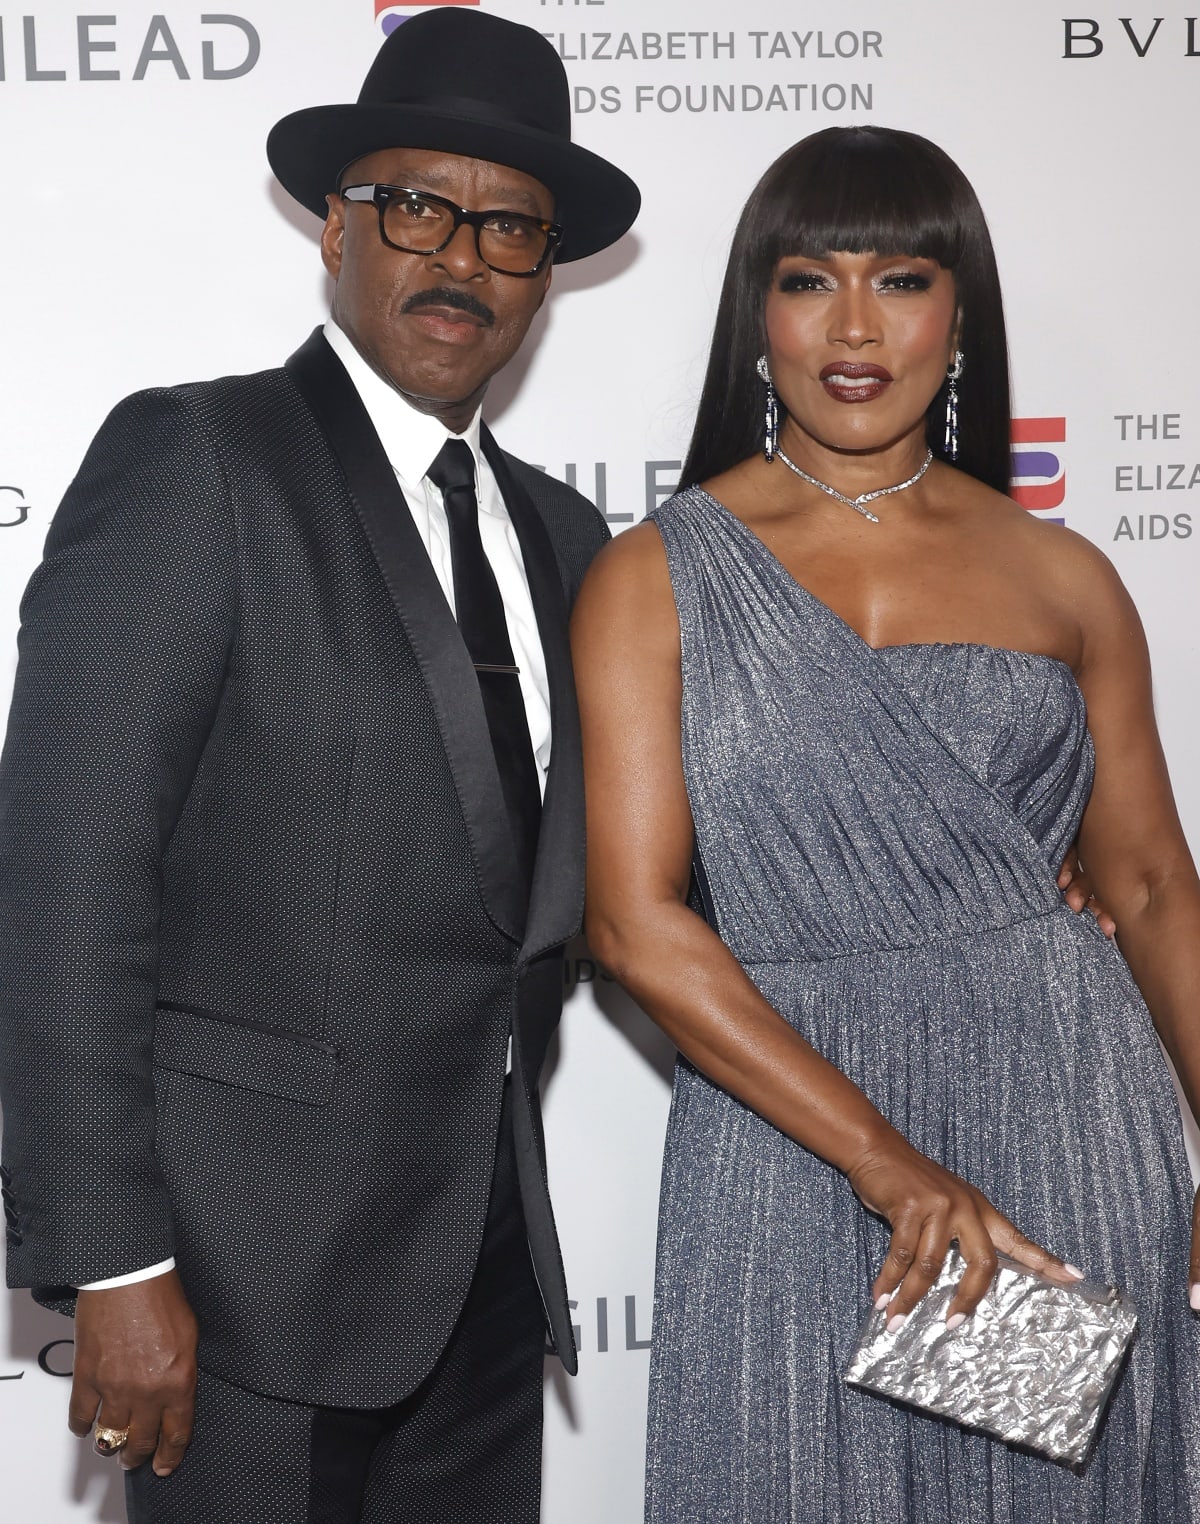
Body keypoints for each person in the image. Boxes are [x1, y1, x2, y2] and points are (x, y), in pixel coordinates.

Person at [0, 11, 638, 1522]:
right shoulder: (199, 463)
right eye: (416, 205)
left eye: (509, 229)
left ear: (545, 278)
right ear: (336, 229)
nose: (461, 257)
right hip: (234, 1286)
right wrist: (114, 1261)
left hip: (483, 1272)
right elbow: (69, 881)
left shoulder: (568, 539)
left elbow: (615, 875)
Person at [571, 126, 1200, 1521]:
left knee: (1042, 1501)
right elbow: (635, 924)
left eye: (902, 280)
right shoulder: (654, 577)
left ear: (958, 314)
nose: (855, 328)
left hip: (1061, 1122)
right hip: (790, 1131)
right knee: (795, 1481)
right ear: (761, 316)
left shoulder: (1064, 578)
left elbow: (1151, 885)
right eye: (810, 281)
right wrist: (890, 1165)